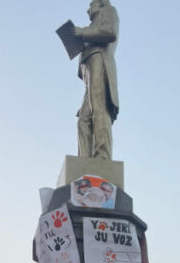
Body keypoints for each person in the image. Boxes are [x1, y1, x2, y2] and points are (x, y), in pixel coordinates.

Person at [73, 0, 119, 160]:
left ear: (100, 3)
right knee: (83, 119)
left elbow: (109, 32)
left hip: (99, 60)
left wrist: (81, 32)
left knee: (99, 109)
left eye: (91, 4)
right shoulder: (93, 25)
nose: (88, 10)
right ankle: (84, 160)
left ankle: (102, 155)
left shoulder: (109, 11)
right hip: (90, 67)